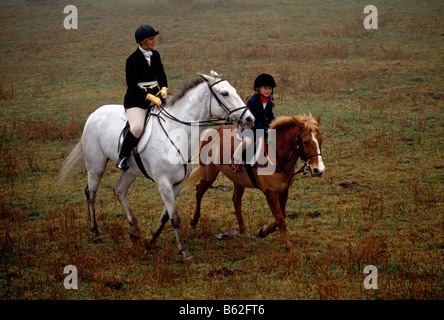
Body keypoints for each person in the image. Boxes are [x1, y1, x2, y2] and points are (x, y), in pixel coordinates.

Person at [116, 24, 168, 170]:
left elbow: (162, 76)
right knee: (138, 127)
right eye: (150, 39)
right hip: (136, 101)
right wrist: (151, 98)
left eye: (153, 38)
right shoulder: (131, 60)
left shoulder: (156, 55)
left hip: (157, 95)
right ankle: (123, 156)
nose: (154, 41)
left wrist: (164, 89)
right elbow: (132, 86)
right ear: (142, 42)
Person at [231, 73, 276, 172]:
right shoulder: (252, 101)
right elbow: (253, 121)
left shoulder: (270, 99)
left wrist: (275, 124)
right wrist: (266, 130)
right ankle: (236, 159)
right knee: (248, 141)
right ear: (258, 89)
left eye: (270, 88)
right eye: (265, 88)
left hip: (262, 126)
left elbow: (270, 115)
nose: (268, 90)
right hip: (249, 126)